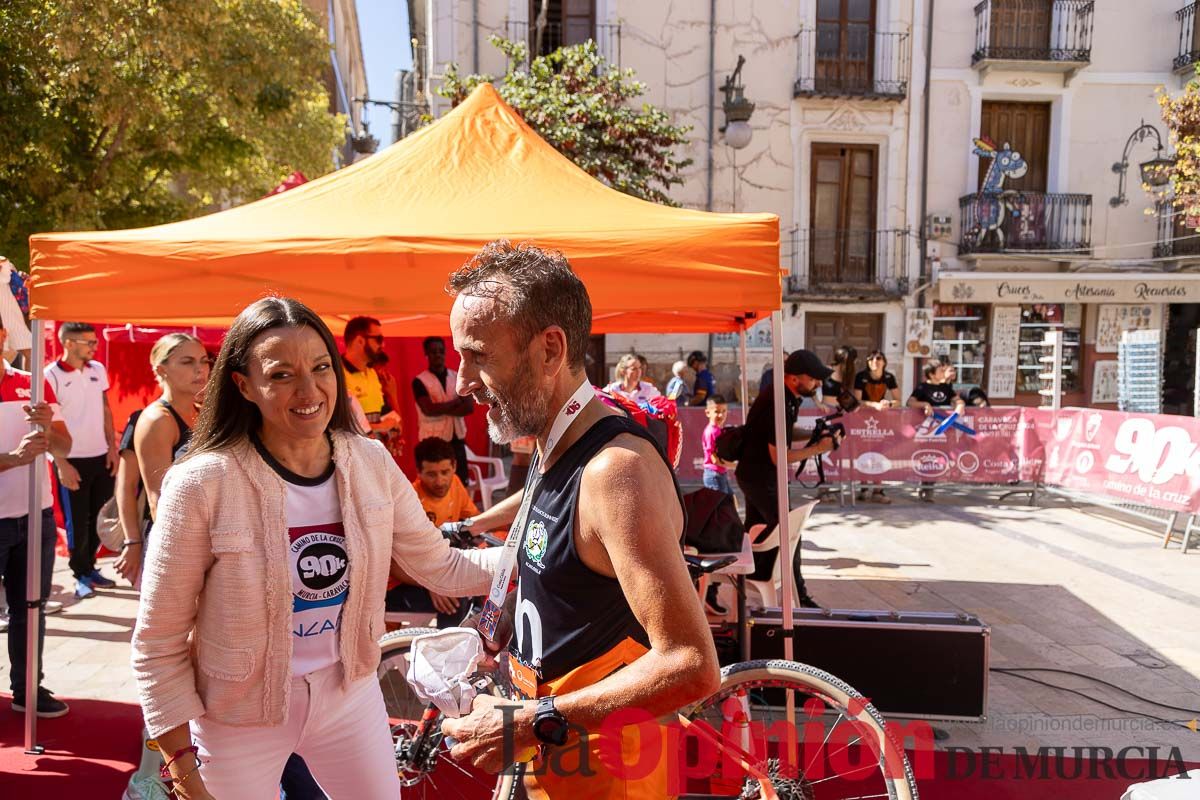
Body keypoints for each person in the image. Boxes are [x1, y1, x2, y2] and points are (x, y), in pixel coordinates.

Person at [130, 297, 502, 799]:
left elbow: (440, 565)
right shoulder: (202, 482)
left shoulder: (368, 461)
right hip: (239, 715)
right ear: (243, 385)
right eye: (281, 375)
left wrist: (539, 559)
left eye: (321, 367)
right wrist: (182, 768)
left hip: (348, 695)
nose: (309, 391)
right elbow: (158, 642)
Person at [439, 240, 720, 798]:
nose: (461, 382)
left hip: (609, 774)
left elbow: (691, 664)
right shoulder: (556, 443)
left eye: (478, 355)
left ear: (549, 349)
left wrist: (527, 721)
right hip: (552, 756)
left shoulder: (615, 472)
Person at [1, 315, 75, 717]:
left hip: (35, 516)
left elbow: (64, 446)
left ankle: (27, 689)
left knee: (30, 606)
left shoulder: (32, 384)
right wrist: (11, 460)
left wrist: (50, 432)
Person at [734, 349, 841, 610]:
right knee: (790, 531)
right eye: (814, 379)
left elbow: (784, 432)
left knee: (756, 533)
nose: (818, 384)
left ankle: (746, 579)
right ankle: (799, 595)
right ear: (795, 379)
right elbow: (779, 457)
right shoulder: (778, 402)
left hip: (757, 474)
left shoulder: (787, 397)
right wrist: (819, 448)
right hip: (760, 475)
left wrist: (815, 434)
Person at [45, 322, 119, 598]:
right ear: (69, 344)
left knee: (99, 517)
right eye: (89, 342)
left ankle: (90, 568)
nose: (94, 347)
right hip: (71, 459)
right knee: (77, 521)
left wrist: (112, 448)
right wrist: (60, 463)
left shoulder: (97, 370)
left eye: (94, 342)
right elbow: (46, 424)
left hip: (101, 456)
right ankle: (80, 575)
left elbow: (105, 409)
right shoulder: (50, 375)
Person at [385, 436, 481, 628]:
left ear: (454, 467)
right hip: (399, 584)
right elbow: (392, 564)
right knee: (455, 600)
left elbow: (473, 522)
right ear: (419, 472)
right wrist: (431, 584)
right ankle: (446, 654)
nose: (440, 481)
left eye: (445, 472)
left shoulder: (455, 483)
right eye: (431, 474)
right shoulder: (409, 501)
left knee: (482, 584)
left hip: (438, 571)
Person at [132, 334, 209, 525]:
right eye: (187, 362)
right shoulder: (158, 420)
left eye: (204, 361)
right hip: (176, 535)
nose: (200, 369)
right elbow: (158, 499)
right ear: (161, 370)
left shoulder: (204, 412)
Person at [413, 335, 475, 485]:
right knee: (437, 484)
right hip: (433, 440)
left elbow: (468, 407)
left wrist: (440, 408)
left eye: (441, 351)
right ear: (426, 354)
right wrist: (455, 402)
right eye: (433, 352)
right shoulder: (419, 381)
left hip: (457, 440)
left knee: (460, 482)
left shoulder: (457, 377)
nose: (438, 355)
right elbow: (428, 409)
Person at [907, 362, 966, 503]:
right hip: (925, 429)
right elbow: (910, 402)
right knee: (926, 457)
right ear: (932, 374)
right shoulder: (922, 387)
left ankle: (929, 487)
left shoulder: (946, 387)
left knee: (937, 457)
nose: (943, 372)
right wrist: (925, 404)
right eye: (940, 370)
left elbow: (956, 399)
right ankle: (923, 485)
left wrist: (960, 406)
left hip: (943, 429)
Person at [341, 317, 401, 443]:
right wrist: (381, 427)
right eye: (378, 339)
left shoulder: (372, 373)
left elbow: (391, 418)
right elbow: (338, 425)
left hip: (375, 455)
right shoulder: (338, 374)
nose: (383, 345)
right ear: (360, 341)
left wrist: (393, 427)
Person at [852, 350, 900, 505]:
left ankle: (878, 490)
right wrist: (874, 405)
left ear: (884, 362)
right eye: (870, 358)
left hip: (881, 421)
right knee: (863, 452)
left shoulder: (889, 377)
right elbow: (857, 401)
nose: (874, 361)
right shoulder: (861, 377)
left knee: (880, 452)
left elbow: (898, 399)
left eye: (878, 358)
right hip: (863, 419)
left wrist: (888, 403)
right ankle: (864, 488)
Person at [701, 394, 733, 495]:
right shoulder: (711, 432)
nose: (721, 415)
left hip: (720, 474)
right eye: (717, 412)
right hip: (714, 475)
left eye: (724, 411)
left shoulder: (718, 430)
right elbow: (715, 460)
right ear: (707, 412)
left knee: (730, 502)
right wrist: (735, 465)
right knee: (720, 508)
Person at [820, 345, 857, 413]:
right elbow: (812, 390)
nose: (855, 363)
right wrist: (818, 404)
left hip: (841, 410)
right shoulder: (826, 371)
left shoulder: (848, 375)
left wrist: (853, 406)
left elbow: (847, 395)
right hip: (826, 409)